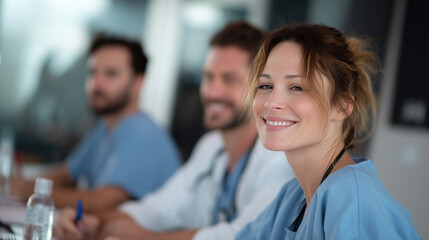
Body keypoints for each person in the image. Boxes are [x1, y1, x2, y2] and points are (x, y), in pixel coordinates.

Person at [53, 21, 294, 240]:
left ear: (261, 86)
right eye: (208, 77)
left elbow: (246, 234)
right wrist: (93, 222)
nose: (212, 92)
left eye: (229, 79)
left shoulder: (280, 156)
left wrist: (146, 238)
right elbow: (158, 209)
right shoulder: (211, 146)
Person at [235, 23, 422, 239]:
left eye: (297, 87)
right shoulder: (292, 197)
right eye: (265, 86)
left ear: (342, 106)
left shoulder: (354, 201)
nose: (272, 103)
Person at [11, 34, 181, 213]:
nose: (96, 84)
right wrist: (15, 181)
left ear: (138, 83)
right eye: (93, 72)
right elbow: (66, 173)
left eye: (111, 74)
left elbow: (102, 201)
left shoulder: (143, 134)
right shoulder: (104, 127)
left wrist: (27, 190)